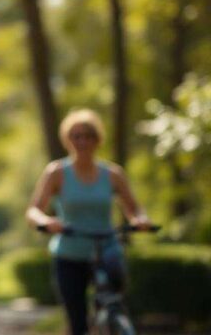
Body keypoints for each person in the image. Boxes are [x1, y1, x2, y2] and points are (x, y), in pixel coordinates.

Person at [26, 109, 152, 335]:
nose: (82, 141)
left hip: (107, 249)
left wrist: (140, 219)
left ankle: (115, 322)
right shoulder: (57, 172)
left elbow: (133, 207)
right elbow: (33, 211)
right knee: (78, 323)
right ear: (67, 139)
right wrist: (47, 221)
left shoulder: (113, 174)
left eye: (88, 135)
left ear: (97, 140)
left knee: (114, 302)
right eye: (76, 136)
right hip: (69, 254)